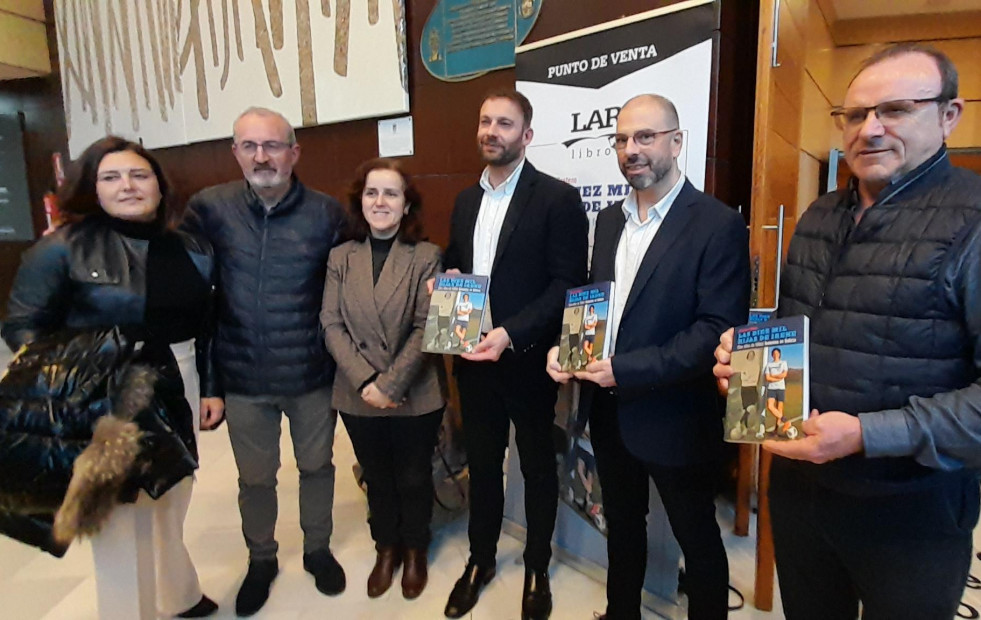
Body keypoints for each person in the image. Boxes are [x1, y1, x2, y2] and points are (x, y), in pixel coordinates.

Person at [713, 43, 981, 619]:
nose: (870, 129)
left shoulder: (974, 222)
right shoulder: (818, 215)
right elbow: (798, 333)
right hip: (801, 494)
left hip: (911, 513)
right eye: (855, 115)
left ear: (948, 115)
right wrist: (749, 365)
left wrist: (867, 434)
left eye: (896, 110)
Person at [548, 94, 750, 620]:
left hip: (676, 415)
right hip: (610, 411)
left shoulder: (717, 223)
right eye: (621, 139)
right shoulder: (610, 222)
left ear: (677, 142)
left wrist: (625, 369)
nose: (630, 150)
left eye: (645, 137)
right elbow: (602, 306)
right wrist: (569, 349)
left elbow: (715, 331)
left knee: (697, 537)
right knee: (622, 524)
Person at [2, 136, 219, 619]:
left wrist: (211, 387)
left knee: (171, 494)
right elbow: (21, 325)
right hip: (103, 392)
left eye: (140, 175)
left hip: (177, 379)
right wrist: (74, 384)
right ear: (90, 188)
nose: (128, 186)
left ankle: (178, 593)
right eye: (111, 176)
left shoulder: (191, 246)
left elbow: (208, 326)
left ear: (160, 187)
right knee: (120, 524)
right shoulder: (60, 248)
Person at [180, 107, 347, 616]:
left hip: (311, 373)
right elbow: (192, 300)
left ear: (294, 152)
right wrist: (209, 385)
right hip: (243, 375)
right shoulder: (208, 210)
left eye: (273, 145)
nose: (261, 156)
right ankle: (262, 559)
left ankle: (317, 550)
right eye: (249, 146)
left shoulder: (327, 214)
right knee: (255, 478)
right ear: (235, 152)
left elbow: (352, 289)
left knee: (317, 467)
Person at [441, 89, 589, 620]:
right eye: (485, 121)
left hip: (526, 360)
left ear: (526, 135)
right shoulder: (464, 200)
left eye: (504, 123)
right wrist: (451, 275)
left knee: (535, 467)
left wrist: (510, 332)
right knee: (482, 466)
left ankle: (536, 567)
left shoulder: (556, 198)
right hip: (472, 362)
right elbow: (458, 260)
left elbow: (566, 284)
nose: (491, 131)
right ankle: (480, 560)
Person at [320, 158, 444, 600]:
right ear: (360, 202)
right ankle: (385, 548)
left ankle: (414, 549)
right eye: (372, 192)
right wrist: (365, 380)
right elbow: (330, 322)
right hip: (356, 392)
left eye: (391, 193)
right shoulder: (340, 256)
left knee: (413, 475)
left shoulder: (427, 256)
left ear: (407, 204)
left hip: (415, 388)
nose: (381, 201)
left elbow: (428, 327)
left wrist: (389, 384)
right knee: (377, 474)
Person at [763, 348, 789, 435]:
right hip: (771, 388)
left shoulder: (783, 363)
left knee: (779, 409)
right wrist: (778, 377)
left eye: (777, 353)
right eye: (774, 353)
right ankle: (785, 420)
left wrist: (773, 376)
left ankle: (776, 431)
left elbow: (784, 375)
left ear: (779, 354)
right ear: (772, 355)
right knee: (770, 406)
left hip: (781, 388)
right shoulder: (769, 365)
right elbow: (767, 378)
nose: (775, 354)